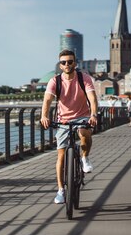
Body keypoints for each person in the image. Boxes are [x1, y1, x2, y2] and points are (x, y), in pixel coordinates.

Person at [41, 49, 98, 204]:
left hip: (82, 116)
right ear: (60, 65)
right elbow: (47, 100)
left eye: (70, 62)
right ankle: (61, 190)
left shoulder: (84, 78)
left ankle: (85, 158)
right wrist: (44, 116)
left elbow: (92, 98)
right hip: (63, 120)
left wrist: (93, 114)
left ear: (75, 63)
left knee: (84, 133)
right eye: (63, 62)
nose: (67, 64)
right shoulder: (55, 81)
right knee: (61, 155)